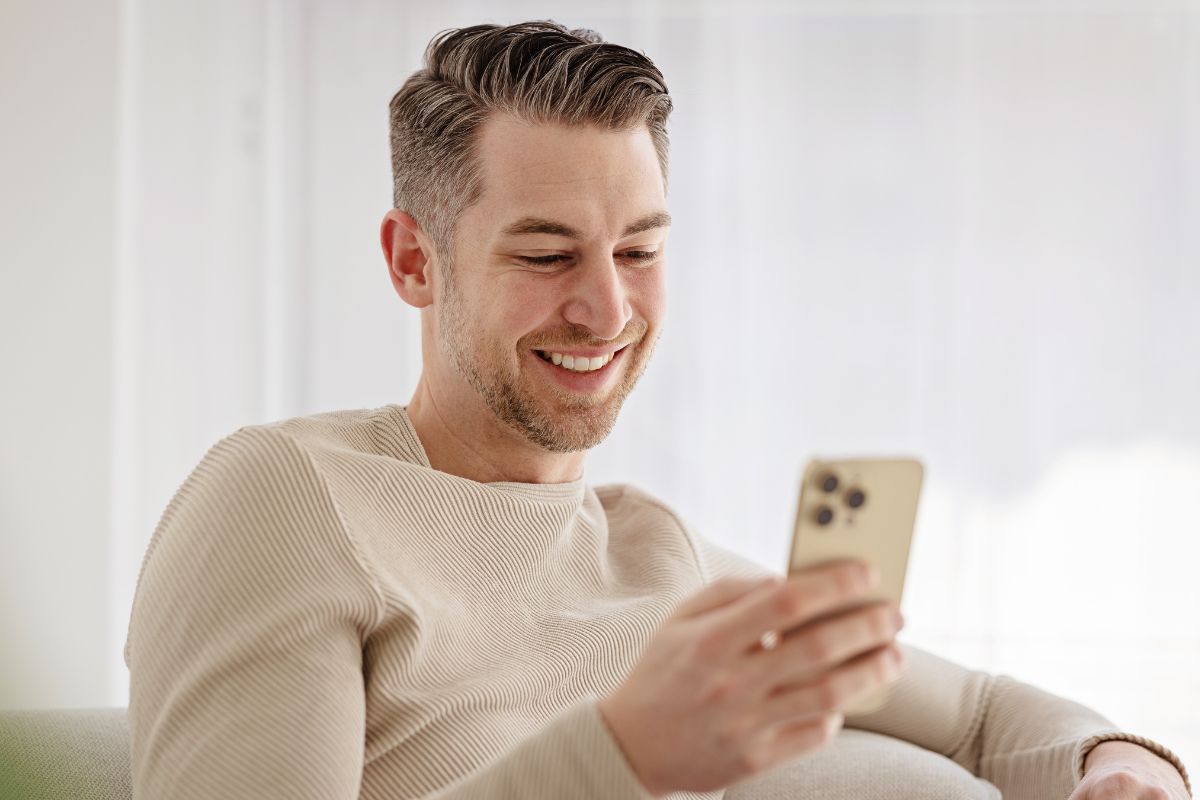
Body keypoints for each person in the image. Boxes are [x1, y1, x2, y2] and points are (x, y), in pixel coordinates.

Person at [124, 20, 1192, 800]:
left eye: (640, 249)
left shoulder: (652, 551)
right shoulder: (283, 498)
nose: (607, 307)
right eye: (546, 253)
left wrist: (1122, 761)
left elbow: (980, 712)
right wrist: (622, 749)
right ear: (415, 260)